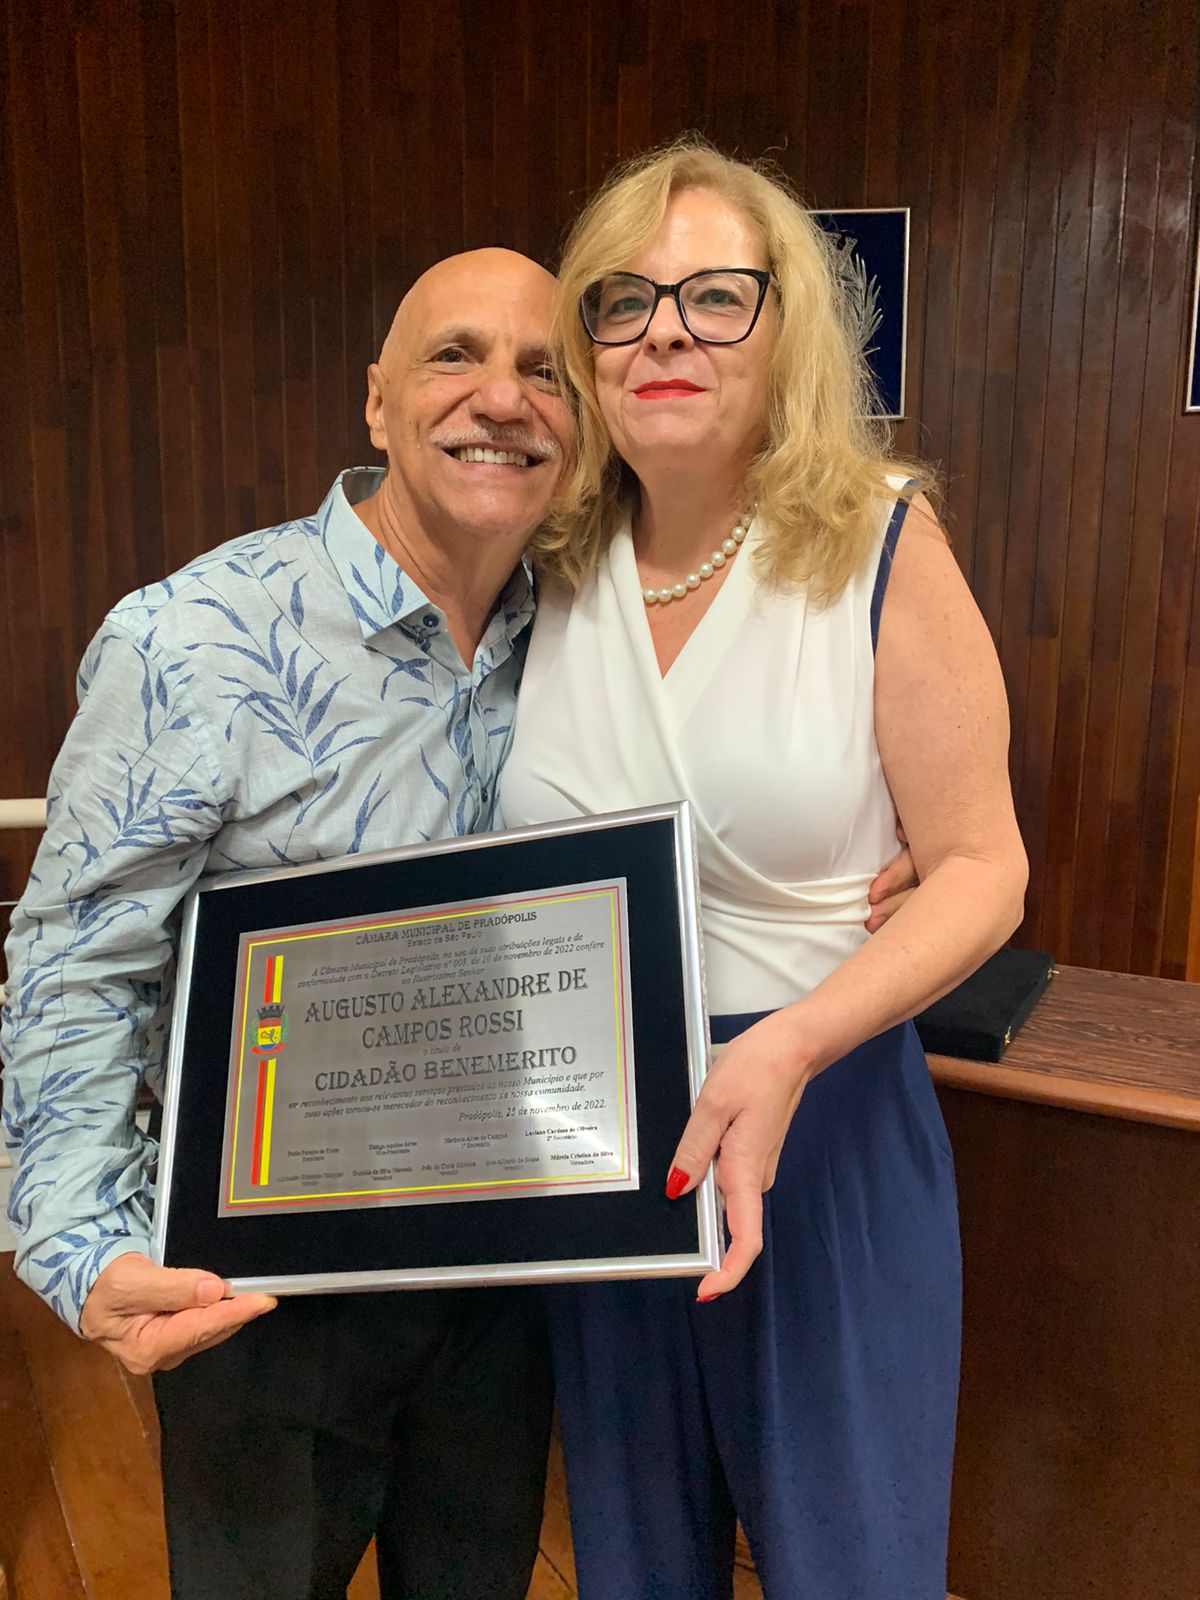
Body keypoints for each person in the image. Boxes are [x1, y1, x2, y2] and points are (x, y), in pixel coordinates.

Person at [0, 248, 575, 1600]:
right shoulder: (192, 639)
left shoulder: (586, 633)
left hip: (506, 1276)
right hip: (262, 1290)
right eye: (455, 355)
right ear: (376, 401)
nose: (502, 398)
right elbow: (76, 961)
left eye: (545, 371)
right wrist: (81, 1244)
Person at [503, 141, 1029, 1599]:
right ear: (587, 344)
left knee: (849, 1564)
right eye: (624, 301)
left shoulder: (876, 541)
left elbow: (985, 867)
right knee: (633, 1562)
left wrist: (792, 1043)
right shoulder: (546, 566)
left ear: (783, 329)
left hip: (822, 1117)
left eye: (715, 297)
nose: (665, 333)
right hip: (603, 1140)